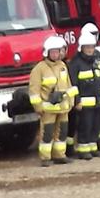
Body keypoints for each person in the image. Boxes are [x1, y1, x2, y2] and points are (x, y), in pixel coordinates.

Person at [30, 35, 73, 164]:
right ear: (47, 52)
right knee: (47, 133)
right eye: (53, 52)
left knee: (62, 132)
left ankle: (59, 155)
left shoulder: (63, 66)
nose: (55, 54)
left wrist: (71, 102)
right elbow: (34, 90)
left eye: (57, 51)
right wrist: (38, 108)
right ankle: (45, 158)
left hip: (63, 107)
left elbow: (68, 85)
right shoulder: (39, 69)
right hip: (48, 109)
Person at [69, 33, 100, 159]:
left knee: (95, 126)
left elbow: (99, 80)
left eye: (92, 47)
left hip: (96, 101)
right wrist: (77, 101)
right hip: (84, 103)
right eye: (87, 47)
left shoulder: (95, 61)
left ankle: (92, 148)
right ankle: (83, 150)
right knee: (85, 126)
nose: (90, 49)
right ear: (82, 48)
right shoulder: (76, 63)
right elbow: (73, 85)